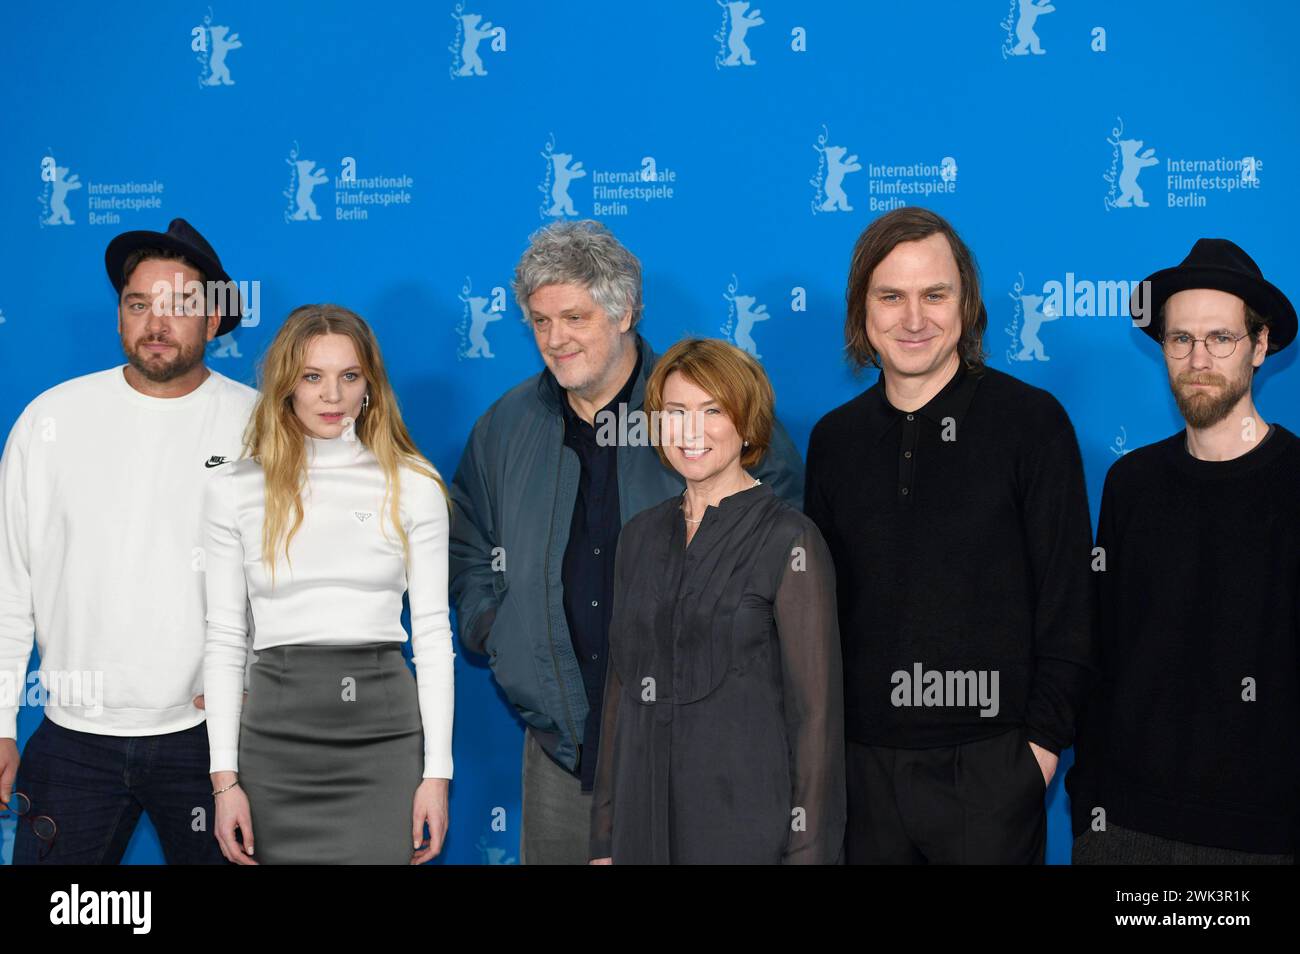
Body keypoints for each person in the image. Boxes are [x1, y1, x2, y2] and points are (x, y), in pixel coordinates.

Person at [448, 220, 805, 864]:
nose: (556, 339)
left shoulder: (707, 418)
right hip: (561, 755)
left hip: (693, 755)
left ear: (626, 312)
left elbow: (782, 550)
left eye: (575, 317)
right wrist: (497, 629)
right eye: (540, 321)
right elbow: (466, 536)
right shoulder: (504, 428)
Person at [805, 206, 1095, 864]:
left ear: (966, 304)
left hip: (991, 772)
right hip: (863, 774)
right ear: (862, 311)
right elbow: (820, 615)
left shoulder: (1031, 424)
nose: (914, 319)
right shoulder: (834, 441)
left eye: (935, 294)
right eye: (891, 297)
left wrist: (1037, 754)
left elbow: (1068, 601)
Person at [0, 218, 256, 863]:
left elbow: (294, 576)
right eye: (139, 304)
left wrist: (250, 676)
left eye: (179, 305)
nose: (156, 322)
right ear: (119, 317)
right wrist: (2, 720)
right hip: (72, 740)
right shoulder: (50, 420)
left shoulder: (261, 424)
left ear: (215, 319)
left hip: (213, 739)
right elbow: (10, 585)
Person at [1067, 238, 1299, 864]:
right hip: (1124, 831)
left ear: (1259, 345)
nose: (1199, 358)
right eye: (1180, 339)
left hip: (1262, 839)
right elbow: (1102, 647)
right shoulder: (1130, 484)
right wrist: (1091, 810)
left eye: (1220, 338)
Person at [202, 304, 454, 864]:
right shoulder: (235, 490)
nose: (332, 396)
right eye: (312, 377)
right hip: (273, 744)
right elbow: (224, 639)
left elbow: (434, 636)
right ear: (286, 385)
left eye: (349, 376)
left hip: (382, 743)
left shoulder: (414, 485)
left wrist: (437, 774)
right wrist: (225, 782)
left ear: (370, 384)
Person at [588, 338, 844, 864]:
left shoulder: (790, 541)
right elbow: (619, 697)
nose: (692, 431)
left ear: (747, 423)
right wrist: (605, 841)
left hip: (747, 830)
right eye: (676, 412)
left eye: (713, 411)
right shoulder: (638, 537)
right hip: (641, 830)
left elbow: (815, 719)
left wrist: (808, 854)